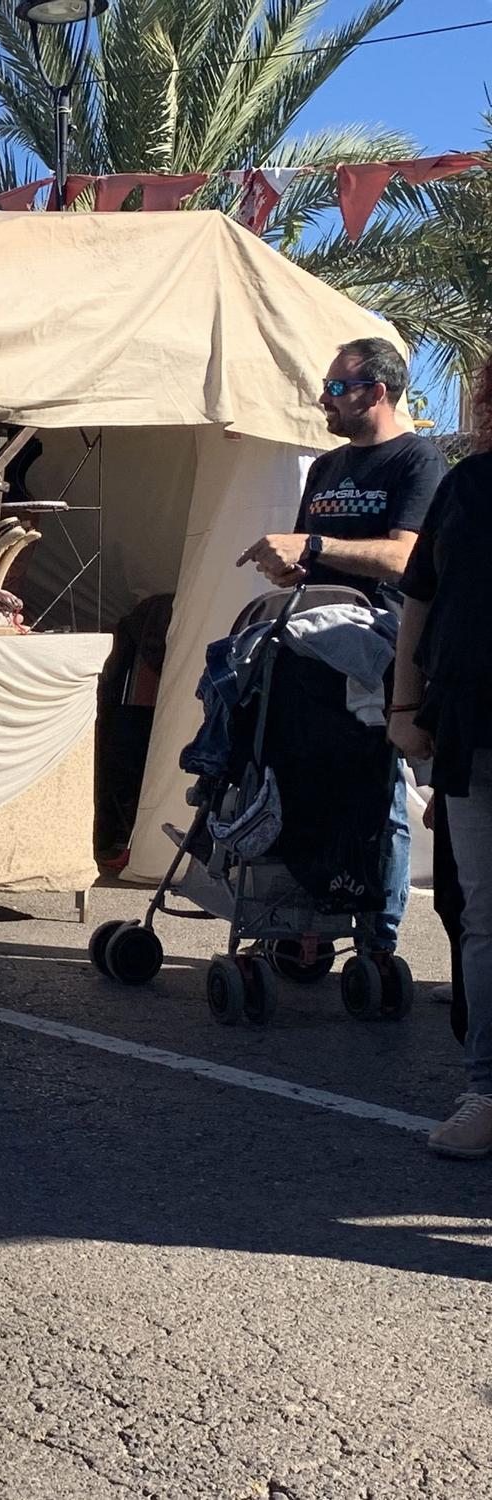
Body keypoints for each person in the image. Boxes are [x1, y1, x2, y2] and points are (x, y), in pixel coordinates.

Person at [238, 337, 444, 963]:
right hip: (312, 636)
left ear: (375, 392)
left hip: (382, 640)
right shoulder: (327, 468)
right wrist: (285, 565)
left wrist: (315, 548)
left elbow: (408, 557)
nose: (322, 399)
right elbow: (309, 551)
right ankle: (305, 915)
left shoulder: (418, 461)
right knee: (305, 768)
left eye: (335, 387)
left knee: (378, 782)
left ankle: (378, 939)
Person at [389, 354, 492, 1159]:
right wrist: (402, 703)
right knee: (482, 919)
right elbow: (419, 601)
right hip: (471, 730)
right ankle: (485, 1090)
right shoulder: (466, 487)